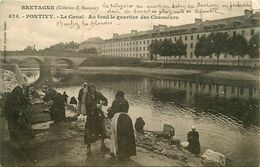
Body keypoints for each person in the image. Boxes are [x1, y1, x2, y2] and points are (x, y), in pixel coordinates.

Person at [107, 91, 136, 161]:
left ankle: (118, 153)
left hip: (118, 119)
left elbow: (111, 114)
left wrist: (109, 111)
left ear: (117, 95)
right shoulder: (126, 102)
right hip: (127, 119)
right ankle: (127, 153)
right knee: (127, 136)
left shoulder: (115, 101)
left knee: (117, 136)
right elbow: (126, 110)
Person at [84, 84, 109, 156]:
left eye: (94, 88)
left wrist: (103, 102)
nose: (93, 90)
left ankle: (102, 145)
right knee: (89, 131)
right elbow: (88, 107)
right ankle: (88, 148)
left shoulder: (98, 93)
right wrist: (96, 106)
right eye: (91, 88)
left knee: (102, 129)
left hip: (98, 115)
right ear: (89, 89)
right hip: (91, 116)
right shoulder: (87, 96)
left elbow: (105, 100)